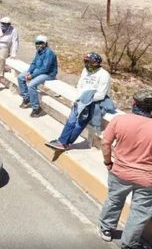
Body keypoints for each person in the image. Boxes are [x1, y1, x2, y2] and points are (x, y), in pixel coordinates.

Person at [97, 89, 152, 249]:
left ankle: (106, 228)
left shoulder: (120, 120)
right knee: (141, 212)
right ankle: (129, 243)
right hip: (147, 178)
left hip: (120, 171)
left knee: (114, 200)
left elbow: (105, 143)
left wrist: (108, 163)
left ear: (134, 103)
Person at [46, 52, 114, 151]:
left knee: (79, 124)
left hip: (91, 103)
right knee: (71, 121)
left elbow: (101, 94)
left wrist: (86, 99)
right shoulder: (85, 71)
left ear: (96, 63)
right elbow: (80, 85)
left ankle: (65, 143)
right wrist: (78, 98)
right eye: (85, 61)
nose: (86, 64)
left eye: (89, 62)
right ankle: (62, 142)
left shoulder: (104, 75)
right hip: (79, 101)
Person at [17, 36, 58, 118]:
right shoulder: (38, 52)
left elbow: (45, 69)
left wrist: (32, 75)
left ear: (45, 44)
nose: (38, 45)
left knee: (31, 85)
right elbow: (34, 63)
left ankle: (36, 108)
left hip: (48, 74)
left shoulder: (49, 53)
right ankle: (27, 98)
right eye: (36, 43)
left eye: (40, 43)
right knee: (20, 77)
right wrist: (29, 72)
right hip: (38, 70)